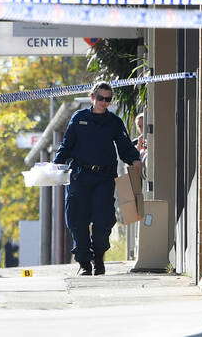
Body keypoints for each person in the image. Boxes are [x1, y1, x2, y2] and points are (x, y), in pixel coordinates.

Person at [53, 81, 142, 276]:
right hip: (80, 176)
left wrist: (134, 159)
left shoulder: (114, 122)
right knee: (77, 220)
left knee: (104, 220)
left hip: (104, 177)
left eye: (108, 99)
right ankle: (84, 262)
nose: (104, 102)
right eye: (101, 98)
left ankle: (98, 257)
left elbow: (124, 145)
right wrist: (55, 164)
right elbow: (66, 145)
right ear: (92, 97)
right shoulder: (79, 118)